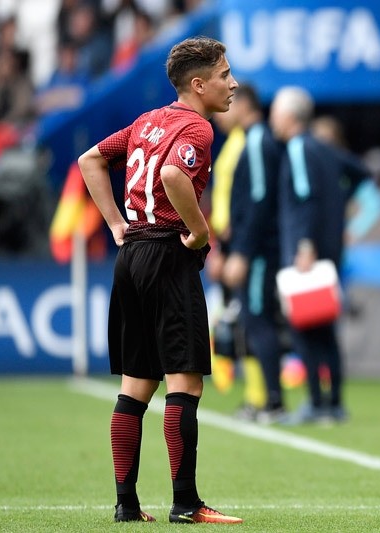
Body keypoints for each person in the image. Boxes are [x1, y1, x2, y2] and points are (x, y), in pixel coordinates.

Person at [77, 36, 243, 524]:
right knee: (185, 384)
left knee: (136, 385)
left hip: (132, 255)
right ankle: (186, 503)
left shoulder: (148, 120)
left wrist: (114, 223)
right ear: (199, 84)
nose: (232, 84)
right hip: (169, 255)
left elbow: (91, 159)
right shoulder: (197, 128)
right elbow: (174, 175)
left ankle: (126, 504)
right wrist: (199, 230)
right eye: (224, 75)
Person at [271, 85, 369, 424]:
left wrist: (304, 246)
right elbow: (361, 172)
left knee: (304, 326)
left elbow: (305, 198)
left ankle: (315, 402)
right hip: (331, 249)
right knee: (325, 327)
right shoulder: (325, 148)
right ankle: (335, 403)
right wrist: (340, 206)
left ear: (288, 116)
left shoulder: (298, 147)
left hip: (307, 252)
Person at [220, 83, 288, 424]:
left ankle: (273, 401)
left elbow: (260, 198)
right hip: (257, 248)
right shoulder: (253, 141)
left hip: (260, 251)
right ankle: (268, 399)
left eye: (227, 103)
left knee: (258, 320)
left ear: (242, 104)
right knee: (253, 320)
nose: (220, 113)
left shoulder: (258, 141)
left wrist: (242, 252)